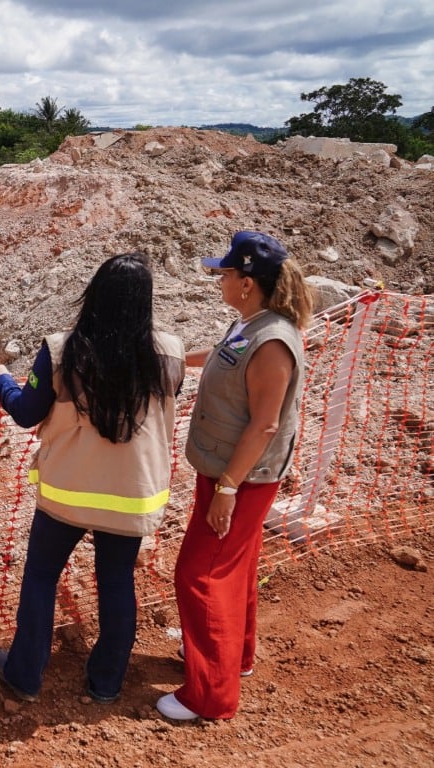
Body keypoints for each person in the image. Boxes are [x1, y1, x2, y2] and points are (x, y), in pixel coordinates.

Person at [0, 252, 185, 703]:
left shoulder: (62, 350)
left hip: (67, 493)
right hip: (132, 494)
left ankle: (24, 675)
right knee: (116, 583)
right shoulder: (170, 352)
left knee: (41, 576)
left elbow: (25, 412)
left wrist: (2, 380)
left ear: (93, 294)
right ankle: (106, 684)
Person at [157, 231, 313, 722]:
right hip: (229, 472)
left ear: (247, 282)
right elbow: (223, 356)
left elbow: (265, 424)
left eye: (224, 273)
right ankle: (234, 657)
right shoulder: (251, 325)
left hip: (240, 479)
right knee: (235, 567)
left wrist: (227, 488)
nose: (218, 280)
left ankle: (209, 696)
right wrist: (173, 360)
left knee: (200, 574)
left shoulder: (273, 343)